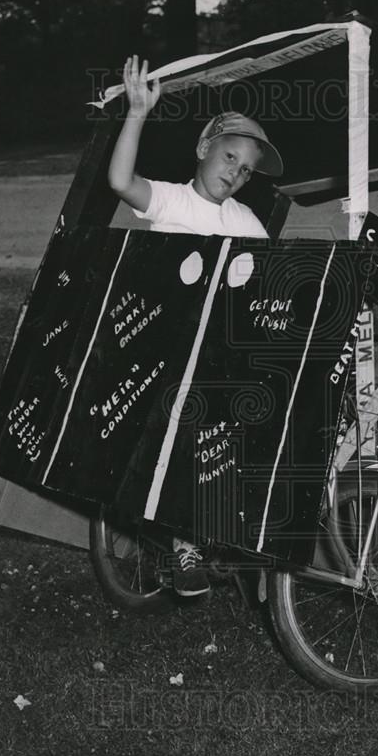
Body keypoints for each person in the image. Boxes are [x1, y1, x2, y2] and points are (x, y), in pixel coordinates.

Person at [108, 55, 284, 597]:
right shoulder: (171, 199)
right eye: (230, 156)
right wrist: (138, 113)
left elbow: (266, 286)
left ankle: (239, 526)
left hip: (215, 351)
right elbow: (120, 180)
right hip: (164, 351)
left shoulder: (245, 222)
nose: (236, 172)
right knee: (184, 417)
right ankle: (183, 544)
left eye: (246, 169)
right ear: (205, 149)